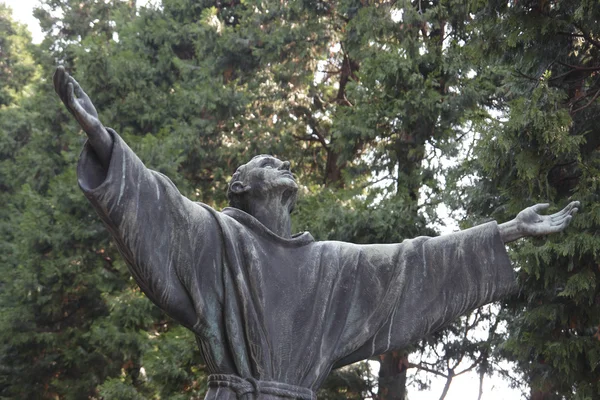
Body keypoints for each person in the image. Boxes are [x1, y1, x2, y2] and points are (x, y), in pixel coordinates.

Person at [54, 67, 579, 400]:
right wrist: (102, 139)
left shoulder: (329, 266)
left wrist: (508, 230)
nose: (281, 160)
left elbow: (412, 261)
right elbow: (157, 203)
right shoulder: (217, 239)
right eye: (266, 160)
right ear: (239, 186)